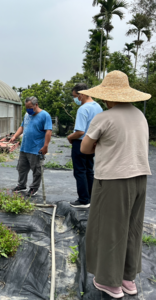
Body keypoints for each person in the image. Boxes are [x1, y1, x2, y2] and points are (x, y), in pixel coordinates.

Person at [80, 71, 151, 298]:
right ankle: (128, 279)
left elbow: (85, 149)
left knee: (109, 231)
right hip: (140, 178)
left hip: (113, 180)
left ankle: (110, 283)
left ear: (108, 96)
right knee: (132, 229)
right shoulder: (139, 115)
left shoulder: (104, 117)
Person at [68, 83, 103, 208]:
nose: (76, 99)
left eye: (76, 96)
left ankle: (83, 199)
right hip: (93, 143)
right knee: (89, 170)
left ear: (82, 94)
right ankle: (91, 197)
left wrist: (70, 137)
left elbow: (80, 132)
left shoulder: (83, 109)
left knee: (80, 171)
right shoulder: (98, 107)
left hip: (81, 143)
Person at [10, 96, 52, 196]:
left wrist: (45, 146)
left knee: (36, 170)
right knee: (21, 168)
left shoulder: (45, 115)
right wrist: (15, 136)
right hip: (25, 147)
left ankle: (34, 188)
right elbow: (22, 126)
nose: (28, 110)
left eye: (30, 107)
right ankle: (21, 185)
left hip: (36, 148)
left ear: (36, 105)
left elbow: (48, 131)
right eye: (26, 108)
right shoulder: (27, 115)